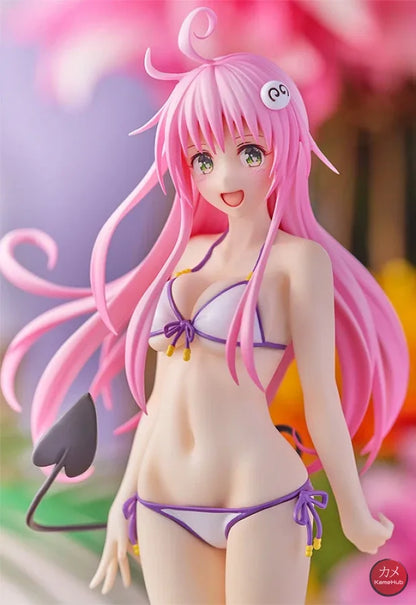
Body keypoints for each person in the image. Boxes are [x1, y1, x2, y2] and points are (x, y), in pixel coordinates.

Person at [1, 7, 408, 604]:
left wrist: (353, 509)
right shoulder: (186, 254)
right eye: (203, 159)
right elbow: (161, 397)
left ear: (283, 145)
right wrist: (122, 500)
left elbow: (321, 398)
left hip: (257, 490)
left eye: (249, 151)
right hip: (163, 494)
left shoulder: (299, 263)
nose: (225, 176)